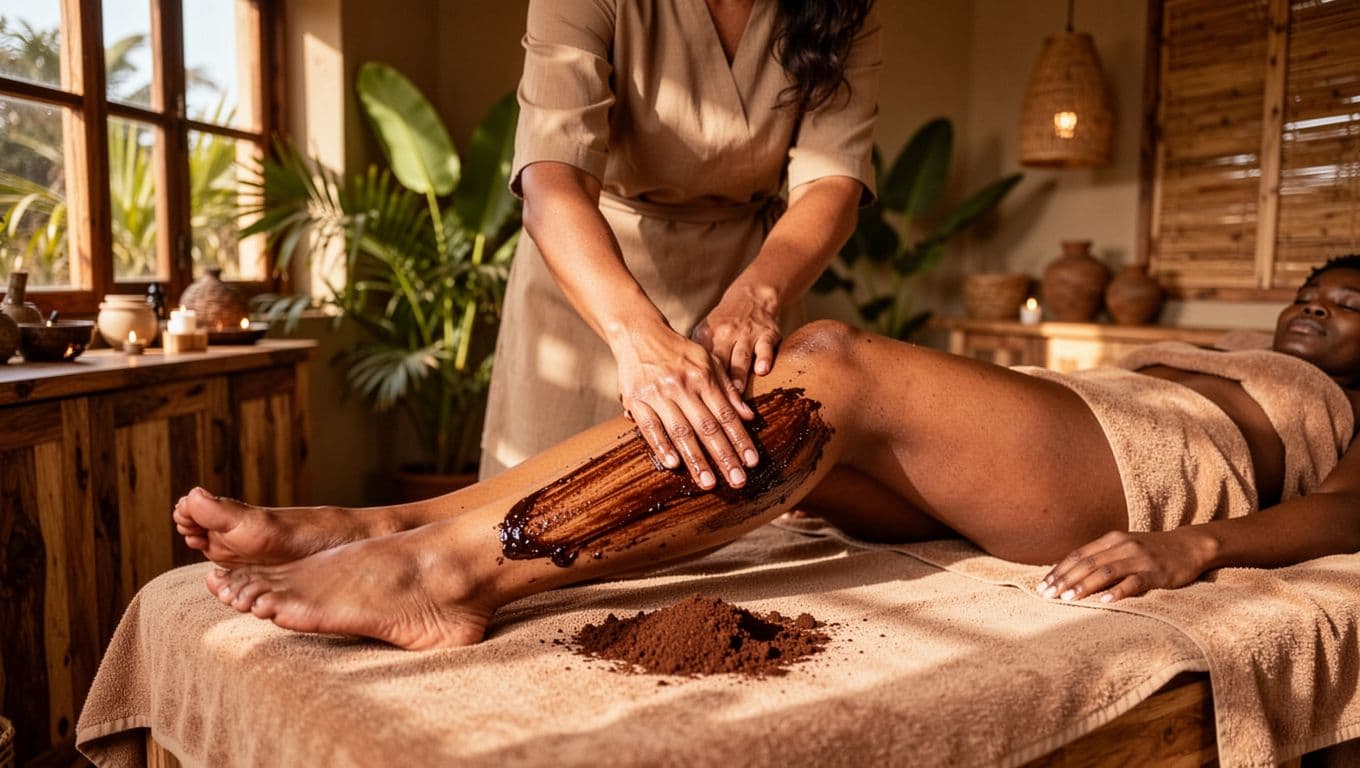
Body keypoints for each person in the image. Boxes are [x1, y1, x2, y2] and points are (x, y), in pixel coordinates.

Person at [177, 257, 1360, 651]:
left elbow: (1349, 513)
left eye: (1352, 305)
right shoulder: (1207, 341)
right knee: (767, 413)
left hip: (1144, 468)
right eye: (1314, 293)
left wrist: (1188, 543)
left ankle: (448, 576)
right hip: (1051, 437)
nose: (1320, 310)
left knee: (832, 356)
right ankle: (381, 528)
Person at [479, 0, 881, 491]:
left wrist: (756, 297)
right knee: (541, 519)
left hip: (749, 294)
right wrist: (637, 338)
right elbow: (553, 182)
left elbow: (832, 181)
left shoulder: (842, 9)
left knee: (737, 530)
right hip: (590, 281)